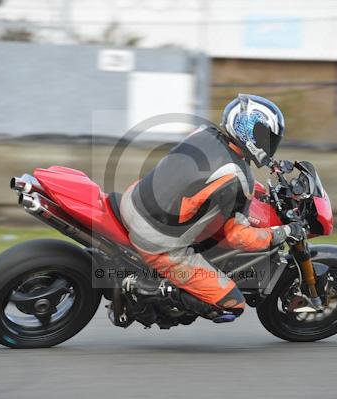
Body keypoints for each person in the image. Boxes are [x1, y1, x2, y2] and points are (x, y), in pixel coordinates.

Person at [119, 94, 306, 322]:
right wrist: (285, 232)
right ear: (250, 134)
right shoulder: (237, 177)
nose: (270, 144)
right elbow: (240, 238)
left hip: (132, 200)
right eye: (267, 137)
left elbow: (205, 180)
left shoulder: (203, 134)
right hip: (157, 241)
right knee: (232, 305)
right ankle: (142, 288)